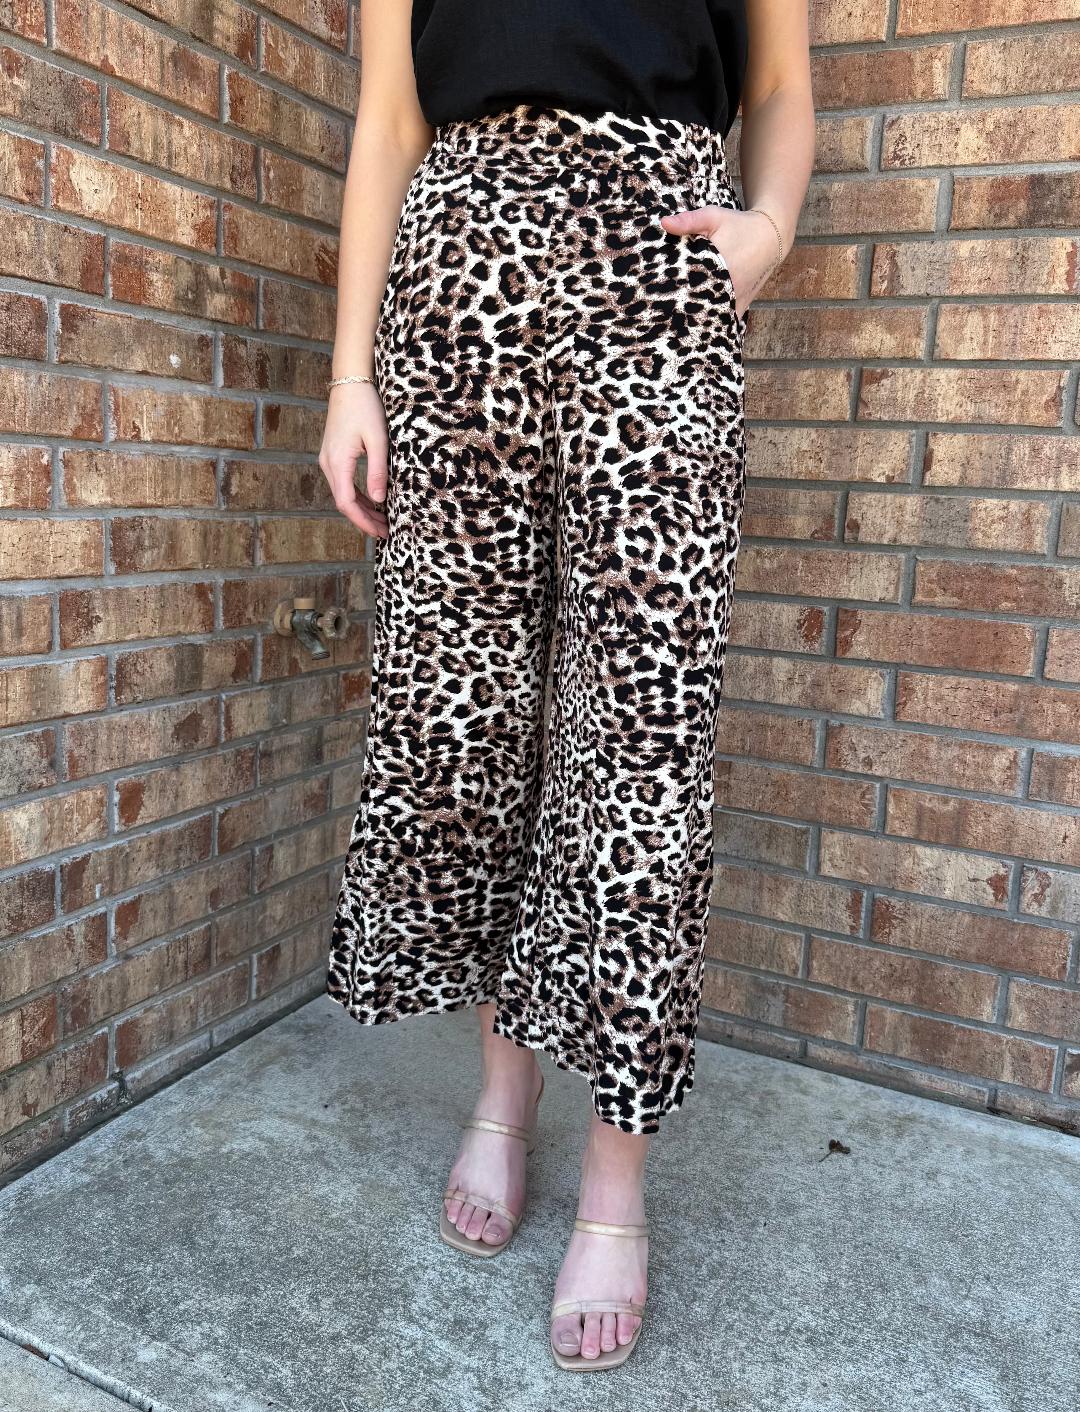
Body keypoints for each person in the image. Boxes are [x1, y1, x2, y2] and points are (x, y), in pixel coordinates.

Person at [320, 0, 813, 1372]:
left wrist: (769, 229)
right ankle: (500, 1093)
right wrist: (352, 378)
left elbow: (779, 82)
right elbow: (390, 118)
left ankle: (614, 1171)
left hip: (661, 275)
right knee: (466, 715)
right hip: (456, 286)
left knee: (643, 731)